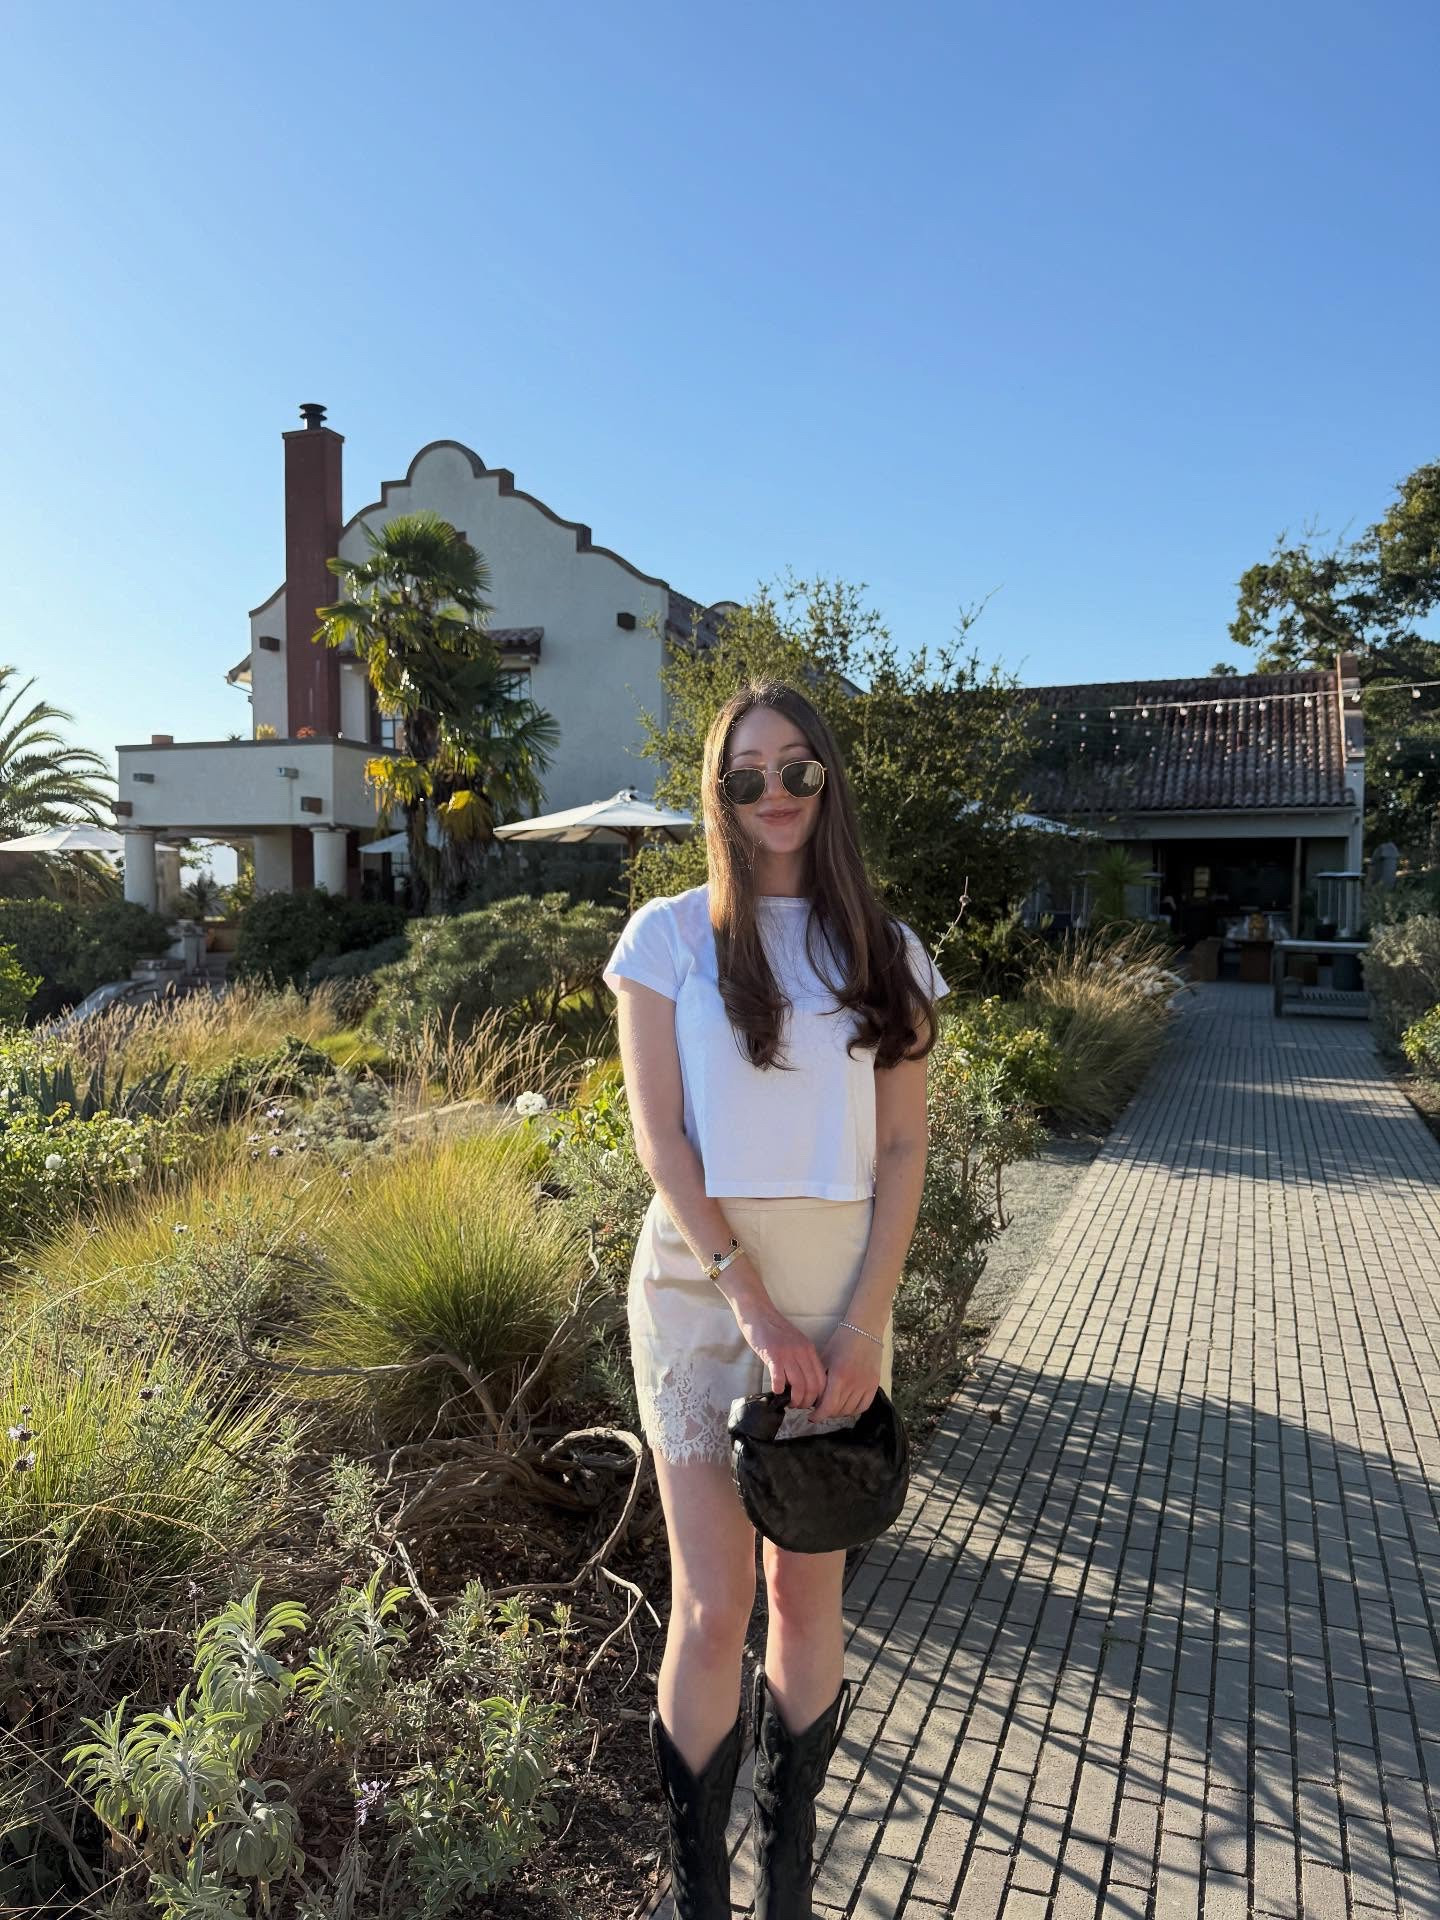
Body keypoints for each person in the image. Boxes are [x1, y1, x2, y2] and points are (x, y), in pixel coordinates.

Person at [602, 679, 949, 1918]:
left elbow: (901, 1149)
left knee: (809, 1598)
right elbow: (661, 1142)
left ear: (827, 778)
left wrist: (861, 1323)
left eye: (796, 768)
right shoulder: (668, 940)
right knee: (714, 1604)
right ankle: (702, 1890)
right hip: (704, 1294)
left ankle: (786, 1877)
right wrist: (751, 1303)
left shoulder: (887, 951)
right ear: (719, 795)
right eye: (744, 776)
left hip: (843, 1296)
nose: (774, 794)